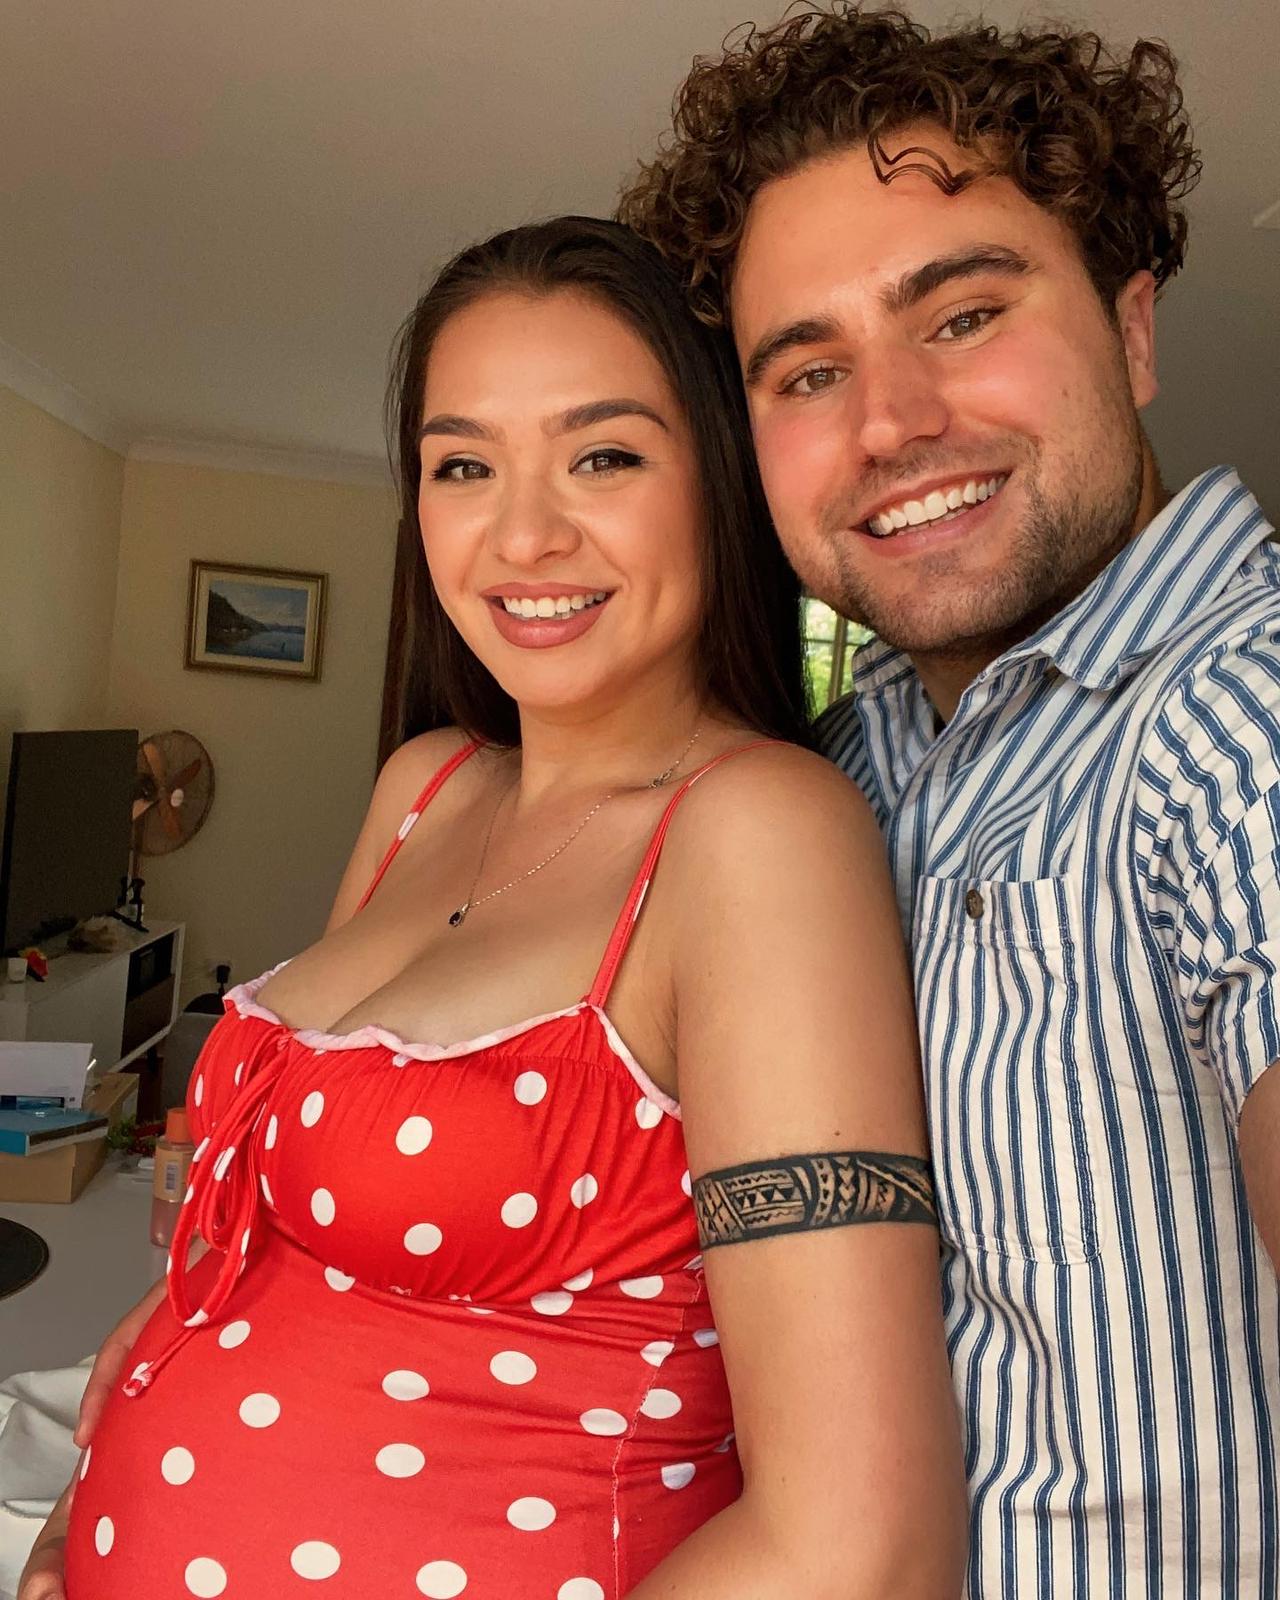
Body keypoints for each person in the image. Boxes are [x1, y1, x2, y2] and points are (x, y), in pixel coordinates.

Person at [20, 217, 965, 1599]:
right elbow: (248, 1262)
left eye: (604, 455)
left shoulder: (756, 836)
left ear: (720, 482)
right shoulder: (426, 786)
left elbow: (860, 1547)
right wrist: (76, 1521)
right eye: (463, 464)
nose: (523, 533)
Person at [620, 7, 1280, 1598]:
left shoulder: (1235, 716)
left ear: (1131, 331)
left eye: (965, 313)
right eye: (809, 369)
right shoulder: (838, 778)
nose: (891, 423)